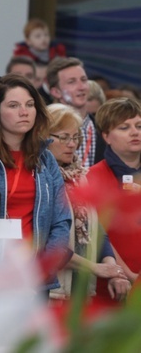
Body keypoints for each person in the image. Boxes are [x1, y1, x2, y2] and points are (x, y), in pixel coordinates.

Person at [0, 74, 72, 286]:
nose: (24, 112)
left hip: (34, 273)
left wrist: (44, 267)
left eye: (30, 104)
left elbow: (61, 219)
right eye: (13, 105)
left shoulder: (45, 158)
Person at [45, 104, 130, 303]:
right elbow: (49, 241)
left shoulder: (80, 176)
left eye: (75, 137)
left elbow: (96, 230)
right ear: (43, 136)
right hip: (52, 290)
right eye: (64, 137)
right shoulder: (41, 178)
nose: (72, 144)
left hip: (81, 291)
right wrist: (94, 267)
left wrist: (113, 269)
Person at [86, 97, 141, 307]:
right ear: (106, 136)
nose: (135, 132)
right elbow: (98, 232)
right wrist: (125, 274)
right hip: (112, 284)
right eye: (124, 127)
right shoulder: (92, 177)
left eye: (139, 126)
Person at [47, 57, 106, 167]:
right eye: (72, 82)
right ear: (56, 92)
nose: (81, 87)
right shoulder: (43, 128)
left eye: (84, 80)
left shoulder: (105, 129)